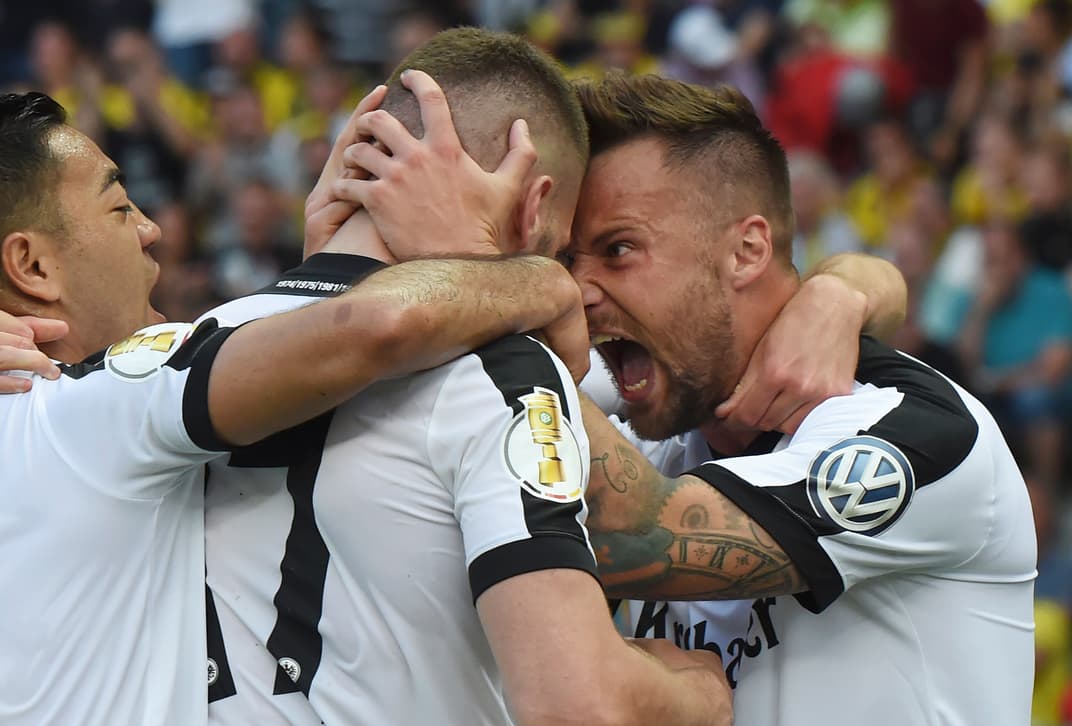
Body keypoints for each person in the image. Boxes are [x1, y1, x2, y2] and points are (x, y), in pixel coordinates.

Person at [0, 90, 595, 725]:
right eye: (121, 207)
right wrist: (537, 277)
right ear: (30, 264)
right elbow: (376, 325)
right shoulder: (84, 407)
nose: (154, 231)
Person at [335, 71, 1036, 725]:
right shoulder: (649, 413)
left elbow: (638, 527)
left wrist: (466, 265)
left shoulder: (912, 431)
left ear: (746, 251)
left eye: (618, 251)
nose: (575, 290)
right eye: (570, 261)